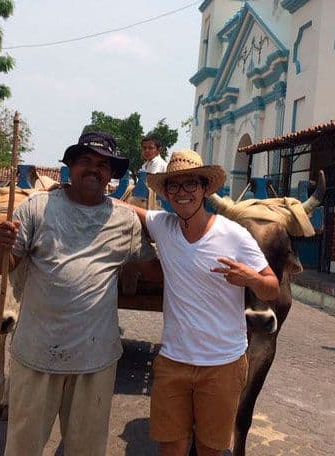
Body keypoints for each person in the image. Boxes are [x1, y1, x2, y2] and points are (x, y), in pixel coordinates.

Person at [0, 131, 159, 456]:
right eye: (86, 161)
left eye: (103, 165)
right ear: (70, 166)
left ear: (111, 175)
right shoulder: (37, 208)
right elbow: (3, 265)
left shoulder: (124, 220)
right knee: (22, 448)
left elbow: (156, 271)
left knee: (86, 450)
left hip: (94, 363)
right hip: (36, 355)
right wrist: (0, 247)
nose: (95, 170)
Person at [116, 149, 280, 456]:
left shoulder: (235, 235)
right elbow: (122, 209)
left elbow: (272, 288)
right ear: (165, 193)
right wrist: (77, 192)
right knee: (171, 448)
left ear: (205, 189)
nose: (182, 193)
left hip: (223, 365)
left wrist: (251, 279)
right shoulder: (162, 226)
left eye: (190, 184)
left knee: (209, 449)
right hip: (173, 362)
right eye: (173, 186)